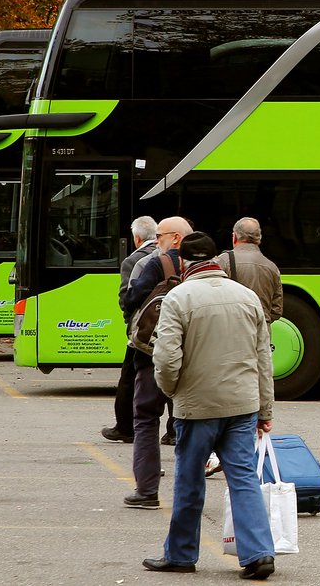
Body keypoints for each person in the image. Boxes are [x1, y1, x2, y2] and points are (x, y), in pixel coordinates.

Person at [142, 232, 276, 580]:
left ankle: (182, 555)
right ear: (216, 258)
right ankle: (259, 553)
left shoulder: (178, 298)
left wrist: (173, 391)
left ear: (183, 262)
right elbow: (263, 358)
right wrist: (265, 411)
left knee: (189, 482)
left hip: (196, 406)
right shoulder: (247, 297)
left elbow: (167, 358)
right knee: (243, 479)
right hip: (242, 406)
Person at [121, 216, 192, 509]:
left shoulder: (156, 264)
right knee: (189, 423)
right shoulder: (205, 268)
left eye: (160, 235)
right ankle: (189, 493)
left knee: (147, 418)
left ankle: (147, 490)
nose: (156, 241)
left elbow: (130, 300)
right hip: (192, 356)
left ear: (175, 238)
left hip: (151, 353)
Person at [101, 216, 157, 444]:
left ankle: (124, 427)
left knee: (129, 378)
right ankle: (173, 431)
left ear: (136, 238)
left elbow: (127, 297)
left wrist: (130, 323)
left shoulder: (133, 261)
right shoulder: (171, 258)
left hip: (142, 331)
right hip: (167, 328)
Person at [215, 217, 283, 324]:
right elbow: (276, 310)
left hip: (234, 327)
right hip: (262, 331)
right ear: (259, 239)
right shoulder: (272, 267)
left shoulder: (223, 261)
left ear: (234, 237)